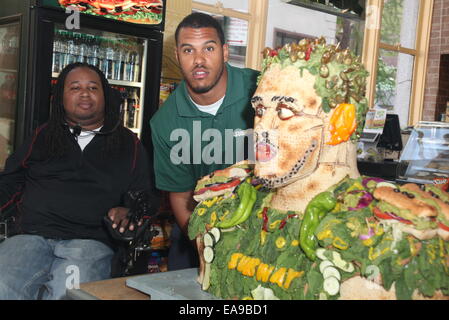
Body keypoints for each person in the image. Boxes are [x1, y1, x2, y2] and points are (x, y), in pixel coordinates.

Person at [0, 62, 156, 300]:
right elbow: (10, 182)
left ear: (105, 95)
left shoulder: (128, 144)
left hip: (89, 242)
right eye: (75, 88)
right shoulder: (43, 135)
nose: (85, 93)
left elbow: (145, 196)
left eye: (93, 88)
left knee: (70, 295)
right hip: (30, 236)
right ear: (61, 97)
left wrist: (129, 212)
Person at [150, 12, 259, 270]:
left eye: (208, 48)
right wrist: (205, 247)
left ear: (224, 52)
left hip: (264, 220)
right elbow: (180, 195)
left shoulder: (261, 89)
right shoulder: (165, 123)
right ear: (177, 56)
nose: (199, 60)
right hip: (202, 223)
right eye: (188, 50)